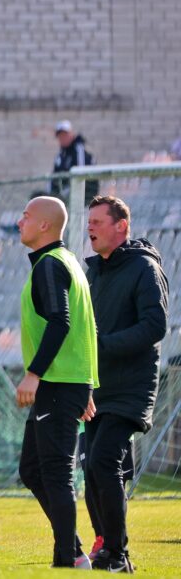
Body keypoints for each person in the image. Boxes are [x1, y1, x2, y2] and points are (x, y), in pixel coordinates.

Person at [83, 196, 168, 573]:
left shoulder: (145, 268)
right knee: (92, 468)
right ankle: (105, 547)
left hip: (132, 387)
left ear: (121, 227)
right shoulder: (92, 273)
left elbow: (155, 326)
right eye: (89, 222)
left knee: (103, 461)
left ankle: (119, 555)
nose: (90, 227)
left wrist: (103, 345)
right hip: (96, 388)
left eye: (98, 222)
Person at [15, 196, 99, 569]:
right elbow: (86, 328)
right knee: (32, 470)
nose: (20, 222)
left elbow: (61, 321)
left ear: (45, 225)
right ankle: (73, 550)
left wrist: (34, 374)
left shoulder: (51, 265)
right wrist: (87, 385)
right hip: (68, 383)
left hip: (56, 383)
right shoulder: (65, 262)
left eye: (26, 216)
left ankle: (69, 559)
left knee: (55, 472)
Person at [50, 120, 98, 203]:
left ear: (71, 134)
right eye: (60, 136)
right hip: (66, 195)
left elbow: (80, 174)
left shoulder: (79, 149)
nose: (62, 138)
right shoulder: (61, 154)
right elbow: (54, 175)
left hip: (84, 196)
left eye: (65, 135)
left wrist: (62, 194)